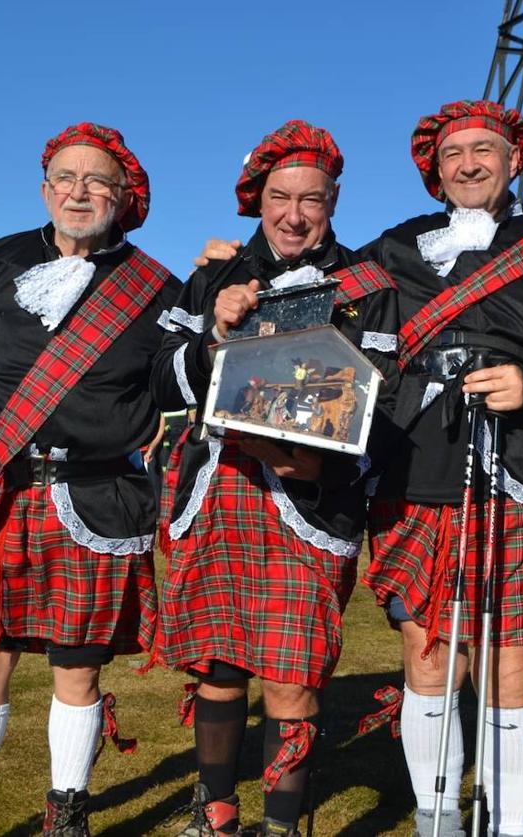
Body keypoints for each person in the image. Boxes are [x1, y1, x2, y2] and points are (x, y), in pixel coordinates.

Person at [0, 123, 179, 836]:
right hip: (4, 491)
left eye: (97, 181)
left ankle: (68, 813)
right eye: (65, 177)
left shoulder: (156, 287)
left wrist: (167, 425)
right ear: (44, 188)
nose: (79, 191)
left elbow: (189, 381)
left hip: (101, 496)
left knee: (79, 669)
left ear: (124, 197)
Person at [359, 100, 523, 837]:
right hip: (413, 465)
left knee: (510, 653)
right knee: (427, 649)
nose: (468, 164)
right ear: (433, 171)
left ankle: (509, 825)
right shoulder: (393, 248)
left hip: (521, 468)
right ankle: (437, 818)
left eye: (484, 151)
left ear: (514, 162)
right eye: (453, 154)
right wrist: (236, 267)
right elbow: (319, 302)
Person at [151, 119, 399, 837]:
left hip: (313, 505)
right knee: (220, 665)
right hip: (223, 486)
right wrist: (214, 337)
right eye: (280, 196)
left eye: (311, 199)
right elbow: (159, 378)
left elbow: (388, 394)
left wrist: (325, 463)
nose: (294, 214)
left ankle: (284, 826)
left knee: (294, 675)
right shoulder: (213, 274)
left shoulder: (368, 284)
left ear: (333, 202)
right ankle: (215, 815)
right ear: (258, 198)